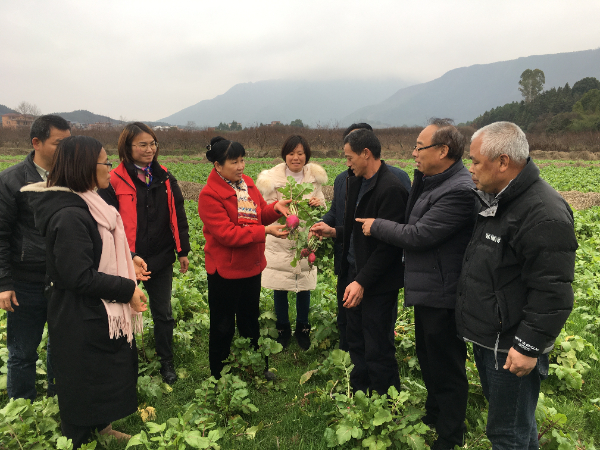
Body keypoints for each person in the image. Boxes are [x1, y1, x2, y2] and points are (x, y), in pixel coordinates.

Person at [455, 122, 577, 449]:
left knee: (507, 434)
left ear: (503, 162)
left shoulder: (543, 213)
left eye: (476, 161)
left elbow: (553, 291)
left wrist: (527, 347)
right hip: (493, 339)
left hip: (511, 347)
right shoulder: (499, 200)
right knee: (516, 428)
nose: (470, 169)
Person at [22, 135, 148, 448]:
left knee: (98, 369)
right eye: (105, 162)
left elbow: (98, 251)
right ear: (84, 167)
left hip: (95, 309)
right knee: (81, 373)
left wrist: (129, 260)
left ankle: (100, 426)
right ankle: (76, 437)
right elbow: (78, 276)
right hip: (77, 312)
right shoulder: (69, 215)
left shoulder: (88, 203)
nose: (109, 168)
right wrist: (127, 288)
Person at [356, 118, 475, 450]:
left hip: (444, 291)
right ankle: (435, 415)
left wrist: (377, 225)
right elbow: (413, 218)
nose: (413, 153)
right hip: (427, 288)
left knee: (447, 365)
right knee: (428, 356)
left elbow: (419, 234)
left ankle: (451, 436)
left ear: (443, 150)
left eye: (419, 147)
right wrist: (421, 176)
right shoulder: (434, 180)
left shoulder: (459, 190)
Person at [311, 129, 408, 395]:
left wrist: (362, 282)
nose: (347, 163)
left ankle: (386, 403)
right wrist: (335, 232)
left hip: (377, 280)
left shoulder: (391, 189)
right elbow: (357, 229)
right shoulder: (355, 182)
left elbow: (388, 248)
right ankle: (360, 392)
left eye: (350, 157)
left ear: (366, 154)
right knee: (355, 338)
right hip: (354, 271)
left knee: (378, 343)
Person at [99, 122, 190, 385]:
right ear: (127, 147)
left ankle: (166, 362)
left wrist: (182, 249)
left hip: (160, 257)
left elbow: (179, 214)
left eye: (153, 144)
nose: (150, 149)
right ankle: (123, 363)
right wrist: (128, 253)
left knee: (163, 312)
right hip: (126, 259)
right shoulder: (114, 180)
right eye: (143, 144)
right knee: (123, 312)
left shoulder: (164, 177)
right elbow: (108, 223)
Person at [198, 137, 291, 378]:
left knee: (250, 320)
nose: (241, 166)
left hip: (251, 266)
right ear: (217, 165)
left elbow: (260, 214)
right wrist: (265, 231)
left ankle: (256, 366)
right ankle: (219, 373)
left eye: (242, 160)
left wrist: (276, 208)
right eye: (234, 162)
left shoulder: (247, 184)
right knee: (223, 324)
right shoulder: (209, 195)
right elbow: (227, 234)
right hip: (225, 270)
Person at [0, 114, 70, 400]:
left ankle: (58, 398)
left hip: (63, 278)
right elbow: (1, 235)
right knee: (22, 350)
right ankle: (22, 408)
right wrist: (4, 282)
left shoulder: (71, 178)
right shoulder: (12, 180)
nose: (65, 151)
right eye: (58, 144)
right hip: (25, 280)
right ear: (36, 142)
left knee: (62, 345)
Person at [256, 135, 327, 350]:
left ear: (307, 156)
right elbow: (266, 209)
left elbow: (322, 207)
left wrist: (317, 203)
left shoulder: (314, 178)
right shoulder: (270, 179)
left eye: (300, 153)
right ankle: (283, 328)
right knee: (280, 285)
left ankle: (303, 328)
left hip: (305, 238)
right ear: (284, 155)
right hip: (281, 236)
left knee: (304, 285)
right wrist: (279, 207)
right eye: (291, 153)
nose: (296, 158)